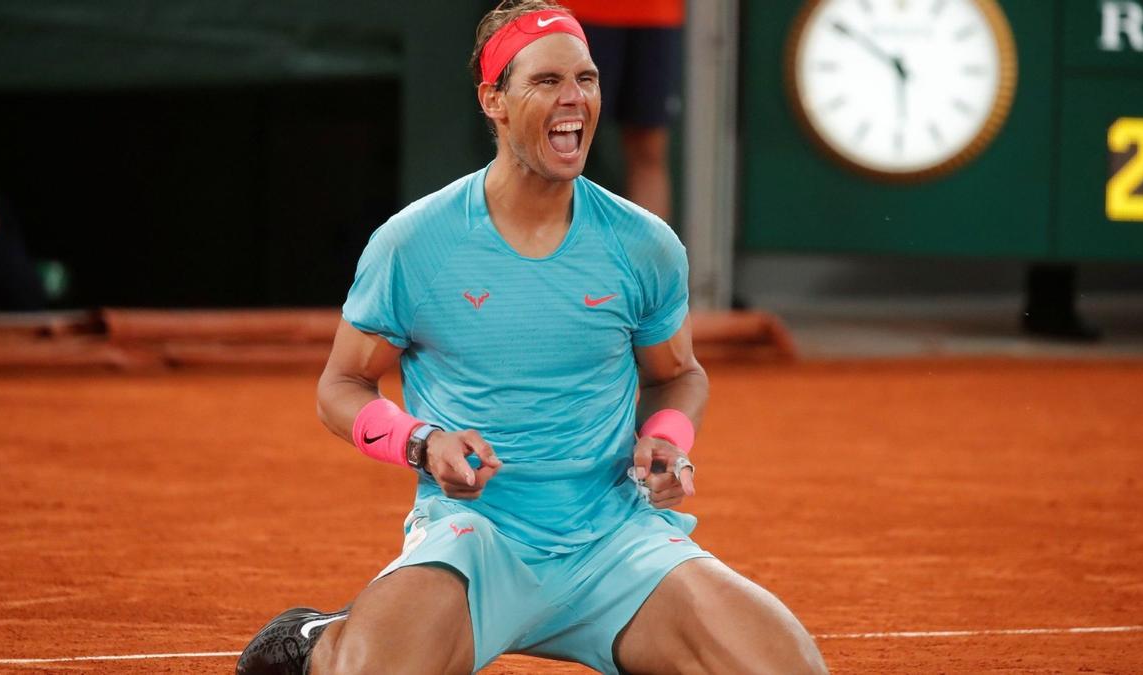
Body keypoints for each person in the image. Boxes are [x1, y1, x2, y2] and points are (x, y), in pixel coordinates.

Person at [236, 2, 828, 674]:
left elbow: (678, 373)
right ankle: (322, 640)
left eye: (587, 78)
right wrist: (423, 444)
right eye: (547, 81)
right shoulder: (413, 243)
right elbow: (339, 387)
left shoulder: (646, 245)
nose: (574, 97)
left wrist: (668, 437)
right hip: (474, 542)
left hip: (619, 544)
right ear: (495, 100)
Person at [561, 0, 682, 221]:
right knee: (561, 141)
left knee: (648, 146)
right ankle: (547, 252)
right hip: (577, 12)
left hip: (655, 14)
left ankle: (648, 254)